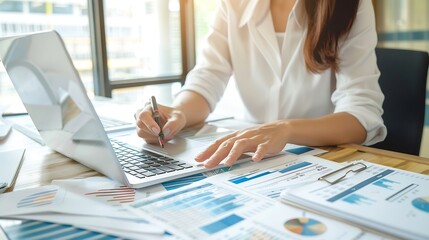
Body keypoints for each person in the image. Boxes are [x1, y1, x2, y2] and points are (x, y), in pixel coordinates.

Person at [135, 0, 386, 168]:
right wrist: (179, 112)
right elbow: (207, 78)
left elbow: (361, 115)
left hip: (320, 161)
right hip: (247, 159)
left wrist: (286, 129)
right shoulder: (233, 4)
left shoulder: (351, 4)